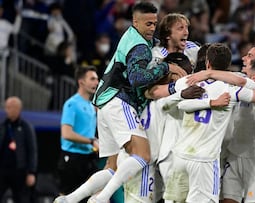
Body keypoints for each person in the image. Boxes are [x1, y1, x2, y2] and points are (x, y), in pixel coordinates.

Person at [67, 2, 187, 203]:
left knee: (112, 167)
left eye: (154, 24)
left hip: (104, 104)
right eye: (147, 24)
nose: (151, 28)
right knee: (142, 155)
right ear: (135, 21)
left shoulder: (133, 36)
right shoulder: (140, 47)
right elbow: (137, 78)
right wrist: (165, 68)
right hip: (118, 101)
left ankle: (70, 199)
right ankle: (102, 198)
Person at [163, 43, 255, 202]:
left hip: (254, 155)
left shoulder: (197, 82)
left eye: (249, 56)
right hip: (221, 155)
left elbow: (170, 104)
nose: (243, 58)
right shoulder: (232, 86)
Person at [55, 66, 99, 203]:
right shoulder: (72, 104)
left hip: (88, 159)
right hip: (72, 160)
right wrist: (91, 141)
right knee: (68, 199)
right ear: (81, 82)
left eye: (97, 79)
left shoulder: (92, 105)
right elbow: (66, 133)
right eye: (92, 79)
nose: (96, 83)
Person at [0, 96, 37, 203]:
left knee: (21, 199)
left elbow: (32, 151)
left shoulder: (26, 127)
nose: (6, 110)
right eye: (6, 107)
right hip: (3, 170)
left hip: (20, 171)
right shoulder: (3, 126)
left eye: (9, 107)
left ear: (17, 109)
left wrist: (31, 172)